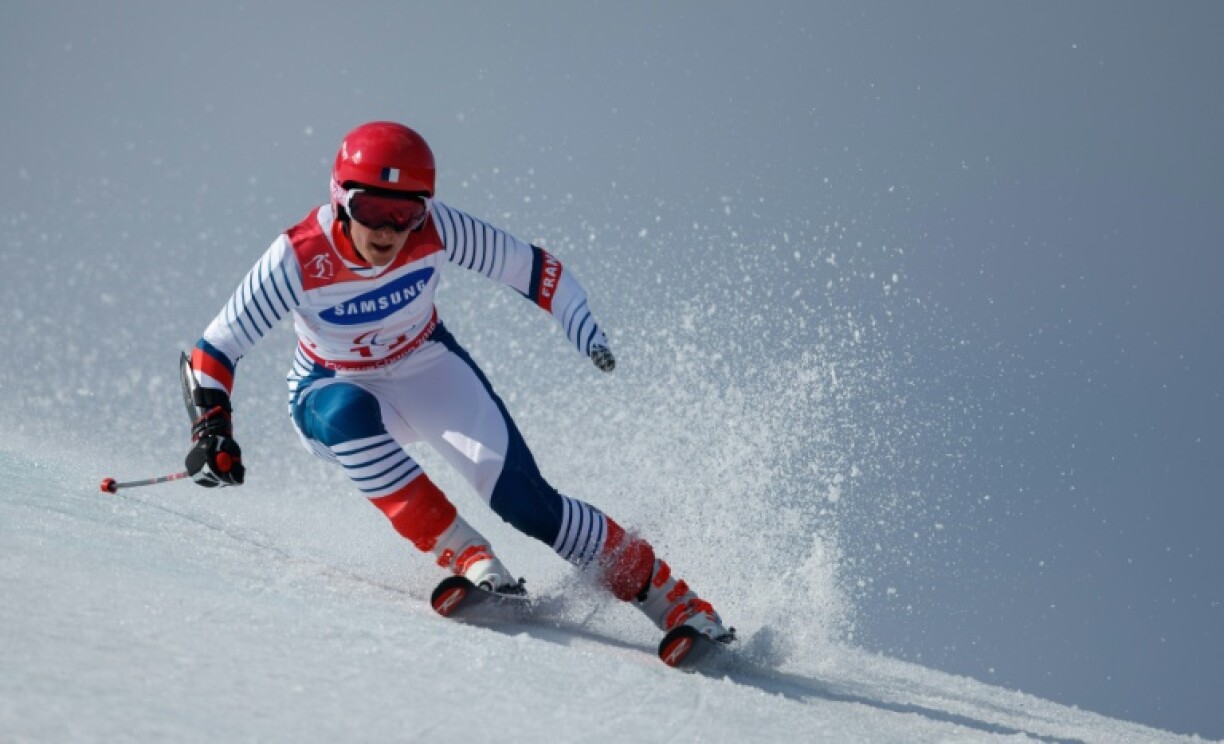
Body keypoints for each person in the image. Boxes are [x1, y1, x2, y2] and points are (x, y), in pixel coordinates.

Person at [182, 121, 731, 644]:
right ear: (339, 199)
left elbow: (536, 271)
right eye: (371, 209)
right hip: (330, 385)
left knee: (528, 504)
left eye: (405, 213)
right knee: (346, 409)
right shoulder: (299, 257)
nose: (388, 231)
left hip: (425, 367)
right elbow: (215, 348)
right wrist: (212, 432)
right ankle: (471, 559)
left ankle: (677, 603)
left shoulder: (439, 229)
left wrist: (582, 326)